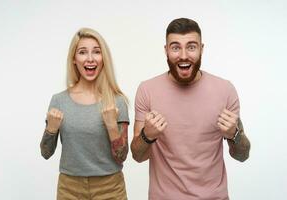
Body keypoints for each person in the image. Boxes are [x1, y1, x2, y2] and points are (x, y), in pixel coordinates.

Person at [131, 18, 251, 200]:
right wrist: (147, 136)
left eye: (191, 47)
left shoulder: (225, 90)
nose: (184, 55)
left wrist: (234, 134)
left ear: (202, 49)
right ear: (166, 50)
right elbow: (137, 156)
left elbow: (242, 155)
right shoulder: (147, 90)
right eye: (176, 47)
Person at [40, 28, 129, 200]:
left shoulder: (116, 102)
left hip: (110, 186)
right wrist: (51, 129)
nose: (90, 58)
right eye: (82, 52)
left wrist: (111, 126)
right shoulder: (59, 100)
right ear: (74, 59)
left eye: (96, 52)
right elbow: (46, 153)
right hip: (69, 187)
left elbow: (122, 157)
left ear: (103, 58)